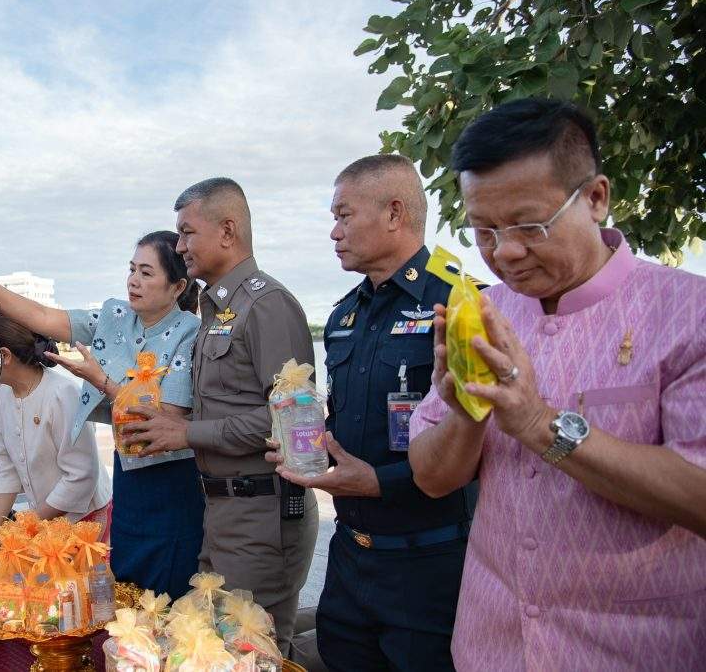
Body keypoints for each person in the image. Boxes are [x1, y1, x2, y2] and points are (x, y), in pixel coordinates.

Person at [409, 98, 706, 669]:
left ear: (596, 198)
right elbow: (432, 476)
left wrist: (538, 424)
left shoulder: (687, 313)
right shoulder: (480, 310)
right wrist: (466, 412)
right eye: (484, 231)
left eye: (529, 225)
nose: (506, 252)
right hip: (492, 646)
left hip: (640, 650)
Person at [266, 156, 475, 671]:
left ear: (394, 213)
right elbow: (347, 418)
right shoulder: (345, 314)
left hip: (428, 562)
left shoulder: (459, 304)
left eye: (344, 215)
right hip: (352, 557)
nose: (333, 232)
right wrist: (305, 442)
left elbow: (483, 443)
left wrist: (379, 482)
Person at [125, 177, 319, 654]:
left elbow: (296, 421)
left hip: (262, 511)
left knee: (255, 653)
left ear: (227, 231)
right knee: (218, 650)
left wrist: (188, 433)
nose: (180, 245)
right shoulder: (217, 310)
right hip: (221, 511)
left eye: (188, 232)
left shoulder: (266, 305)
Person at [0, 231, 205, 598]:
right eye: (132, 269)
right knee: (127, 590)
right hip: (128, 476)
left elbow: (165, 418)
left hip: (171, 480)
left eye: (147, 273)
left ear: (176, 286)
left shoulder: (190, 332)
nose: (133, 280)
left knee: (167, 593)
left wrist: (102, 381)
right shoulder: (115, 316)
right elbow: (40, 315)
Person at [0, 311, 111, 558]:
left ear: (4, 356)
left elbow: (82, 475)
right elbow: (7, 466)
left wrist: (26, 525)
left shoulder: (62, 393)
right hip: (45, 524)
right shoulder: (3, 393)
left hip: (84, 523)